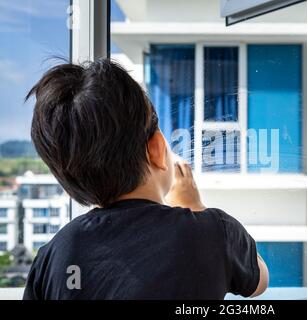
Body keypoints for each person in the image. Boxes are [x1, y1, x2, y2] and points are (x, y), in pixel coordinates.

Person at [22, 59, 269, 300]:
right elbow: (258, 281)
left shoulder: (52, 257)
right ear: (156, 147)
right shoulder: (213, 232)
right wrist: (194, 209)